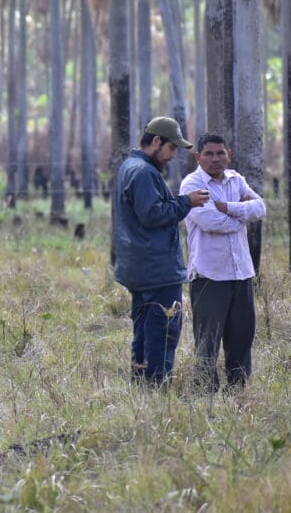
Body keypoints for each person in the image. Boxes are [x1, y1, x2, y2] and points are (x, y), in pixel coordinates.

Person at [112, 117, 210, 386]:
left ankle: (142, 386)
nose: (173, 155)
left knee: (144, 331)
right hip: (156, 269)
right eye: (171, 147)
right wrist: (186, 202)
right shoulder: (144, 172)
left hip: (140, 266)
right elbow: (152, 214)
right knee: (164, 330)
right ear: (156, 141)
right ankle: (156, 387)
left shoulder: (130, 167)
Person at [179, 132, 267, 393]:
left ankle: (238, 392)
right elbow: (210, 222)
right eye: (209, 154)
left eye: (220, 153)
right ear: (198, 157)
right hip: (210, 275)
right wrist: (241, 216)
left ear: (229, 154)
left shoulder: (236, 179)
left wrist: (227, 207)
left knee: (241, 338)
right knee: (207, 341)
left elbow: (261, 208)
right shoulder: (191, 184)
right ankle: (205, 394)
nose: (215, 159)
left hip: (241, 274)